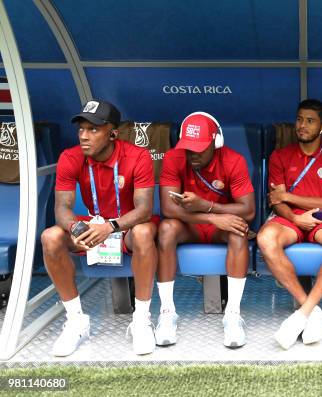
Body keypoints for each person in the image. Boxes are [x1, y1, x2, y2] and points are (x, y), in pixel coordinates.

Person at [41, 100, 158, 356]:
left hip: (124, 226)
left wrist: (111, 227)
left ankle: (141, 320)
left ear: (113, 133)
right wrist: (75, 228)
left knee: (145, 232)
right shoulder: (70, 157)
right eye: (81, 129)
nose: (84, 135)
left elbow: (144, 210)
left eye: (93, 129)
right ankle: (76, 321)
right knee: (50, 237)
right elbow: (62, 207)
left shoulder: (137, 155)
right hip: (90, 226)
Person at [257, 99, 322, 350]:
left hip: (321, 218)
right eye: (299, 119)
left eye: (310, 121)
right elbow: (276, 202)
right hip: (289, 219)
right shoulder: (280, 156)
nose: (302, 125)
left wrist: (289, 196)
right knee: (266, 238)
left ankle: (301, 315)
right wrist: (294, 217)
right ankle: (310, 311)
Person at [156, 112, 255, 348]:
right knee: (166, 229)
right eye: (188, 147)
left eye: (200, 147)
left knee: (239, 230)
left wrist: (209, 207)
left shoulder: (233, 160)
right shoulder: (174, 157)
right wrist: (211, 217)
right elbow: (168, 209)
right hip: (189, 225)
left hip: (222, 227)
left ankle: (232, 314)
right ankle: (167, 312)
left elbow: (248, 210)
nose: (193, 154)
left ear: (215, 142)